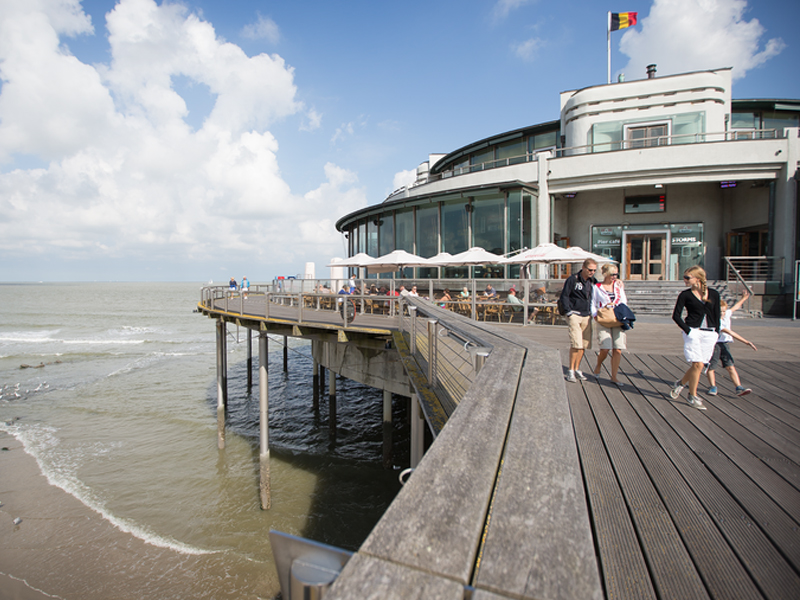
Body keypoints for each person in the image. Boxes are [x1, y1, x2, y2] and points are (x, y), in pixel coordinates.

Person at [670, 266, 721, 410]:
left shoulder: (714, 294)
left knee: (699, 366)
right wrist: (688, 330)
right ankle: (692, 396)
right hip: (693, 331)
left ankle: (681, 384)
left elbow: (717, 315)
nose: (684, 280)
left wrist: (716, 332)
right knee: (697, 364)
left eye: (687, 277)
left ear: (697, 279)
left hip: (709, 333)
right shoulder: (685, 295)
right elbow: (676, 316)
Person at [706, 291, 757, 396]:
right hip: (715, 344)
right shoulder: (716, 322)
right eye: (720, 312)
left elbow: (735, 307)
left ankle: (738, 387)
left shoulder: (726, 314)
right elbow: (730, 332)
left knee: (730, 366)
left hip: (725, 344)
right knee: (712, 367)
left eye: (724, 312)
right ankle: (713, 387)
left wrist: (743, 298)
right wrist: (747, 342)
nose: (722, 314)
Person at [560, 259, 598, 382]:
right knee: (576, 344)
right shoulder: (573, 279)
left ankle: (577, 368)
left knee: (584, 345)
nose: (592, 272)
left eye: (594, 270)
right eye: (590, 270)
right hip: (574, 314)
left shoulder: (593, 281)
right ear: (583, 268)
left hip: (587, 315)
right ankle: (570, 370)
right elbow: (564, 295)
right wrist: (568, 312)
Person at [591, 264, 627, 386]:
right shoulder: (597, 287)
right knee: (605, 348)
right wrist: (595, 315)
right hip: (604, 318)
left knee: (618, 349)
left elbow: (623, 300)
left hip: (617, 318)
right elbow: (592, 302)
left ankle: (614, 376)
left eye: (616, 274)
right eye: (612, 274)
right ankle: (598, 365)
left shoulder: (618, 286)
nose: (614, 277)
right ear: (605, 274)